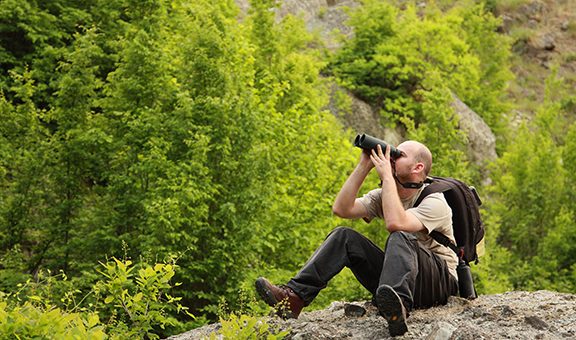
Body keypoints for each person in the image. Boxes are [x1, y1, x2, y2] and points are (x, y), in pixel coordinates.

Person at [255, 141, 458, 336]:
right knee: (344, 236)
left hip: (438, 283)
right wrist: (364, 165)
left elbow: (396, 223)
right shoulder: (385, 195)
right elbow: (342, 208)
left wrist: (387, 176)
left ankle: (399, 308)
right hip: (403, 278)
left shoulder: (435, 201)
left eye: (399, 155)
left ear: (418, 167)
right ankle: (294, 298)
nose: (392, 157)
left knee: (400, 236)